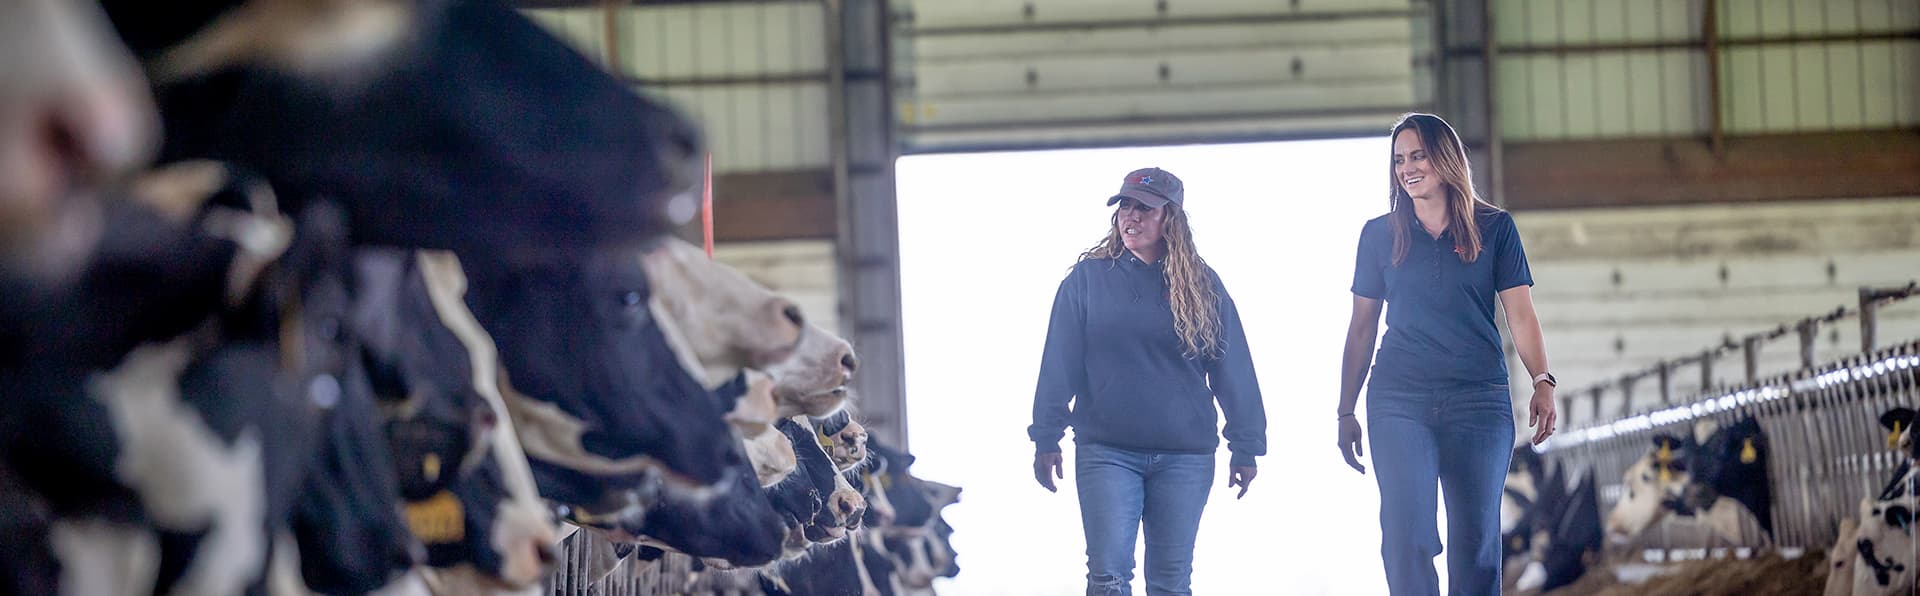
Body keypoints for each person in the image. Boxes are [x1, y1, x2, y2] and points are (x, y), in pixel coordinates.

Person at [1336, 113, 1558, 595]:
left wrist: (1543, 379)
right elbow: (1361, 327)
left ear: (1446, 159)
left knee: (1476, 543)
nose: (1407, 168)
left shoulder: (1495, 228)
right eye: (1399, 160)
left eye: (1418, 155)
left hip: (1478, 400)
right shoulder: (1379, 235)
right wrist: (1345, 409)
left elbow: (1520, 313)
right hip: (1399, 398)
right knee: (1406, 535)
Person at [1029, 167, 1267, 596]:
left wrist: (1247, 445)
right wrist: (1046, 437)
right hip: (1106, 452)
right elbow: (1057, 365)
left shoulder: (1203, 285)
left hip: (1185, 457)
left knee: (1171, 584)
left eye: (1144, 208)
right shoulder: (1085, 282)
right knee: (1107, 577)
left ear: (1170, 218)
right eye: (1124, 206)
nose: (1130, 217)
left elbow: (1233, 368)